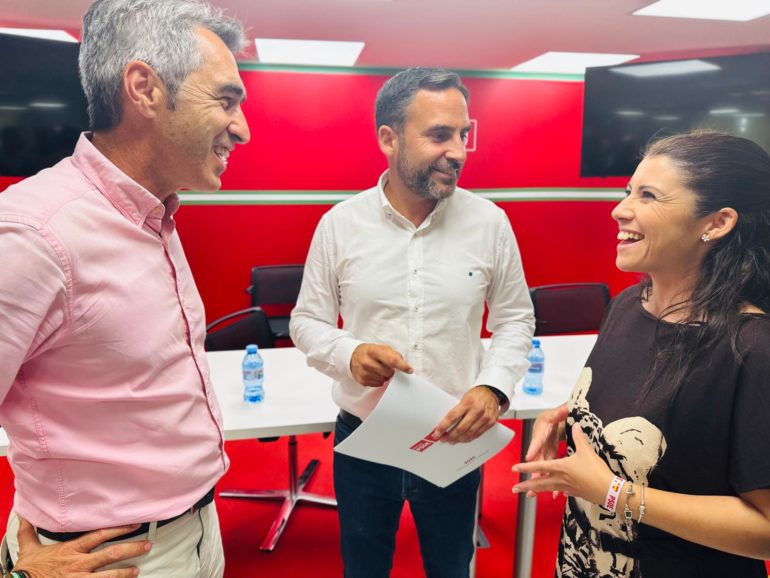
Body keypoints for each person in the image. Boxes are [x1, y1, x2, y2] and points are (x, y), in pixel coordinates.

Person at [0, 0, 250, 576]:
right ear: (145, 89)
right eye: (226, 99)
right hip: (111, 558)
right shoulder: (36, 233)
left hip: (197, 531)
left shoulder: (154, 216)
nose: (242, 127)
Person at [290, 67, 535, 578]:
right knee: (364, 569)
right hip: (363, 442)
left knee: (451, 567)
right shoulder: (340, 225)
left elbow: (515, 319)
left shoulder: (490, 223)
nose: (459, 151)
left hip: (455, 439)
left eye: (464, 134)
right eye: (440, 135)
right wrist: (348, 354)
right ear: (388, 138)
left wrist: (494, 388)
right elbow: (307, 320)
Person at [513, 131, 770, 577]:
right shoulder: (629, 305)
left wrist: (612, 492)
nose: (620, 209)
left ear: (717, 222)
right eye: (627, 191)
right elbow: (665, 405)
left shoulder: (751, 347)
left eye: (648, 195)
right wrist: (573, 413)